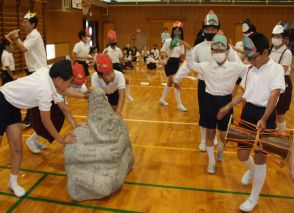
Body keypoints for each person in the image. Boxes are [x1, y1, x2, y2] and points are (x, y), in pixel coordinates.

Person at [0, 60, 89, 197]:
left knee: (17, 148)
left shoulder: (50, 75)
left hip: (13, 106)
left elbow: (64, 97)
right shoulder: (45, 90)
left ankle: (13, 182)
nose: (70, 85)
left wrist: (84, 96)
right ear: (59, 80)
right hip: (2, 101)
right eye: (70, 81)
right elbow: (46, 121)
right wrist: (62, 140)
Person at [217, 33, 285, 212]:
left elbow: (274, 94)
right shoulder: (250, 69)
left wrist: (264, 118)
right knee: (242, 155)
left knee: (261, 157)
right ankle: (252, 169)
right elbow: (243, 94)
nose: (251, 60)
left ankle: (254, 198)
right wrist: (228, 106)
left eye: (253, 57)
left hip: (267, 114)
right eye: (249, 57)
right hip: (248, 113)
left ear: (264, 52)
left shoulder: (275, 69)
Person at [181, 31, 248, 174]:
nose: (218, 52)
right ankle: (211, 161)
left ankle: (221, 149)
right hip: (209, 101)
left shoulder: (235, 67)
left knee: (224, 135)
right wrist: (188, 50)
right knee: (210, 133)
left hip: (225, 101)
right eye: (215, 50)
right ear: (211, 51)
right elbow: (191, 64)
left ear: (227, 50)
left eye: (221, 50)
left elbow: (249, 71)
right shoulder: (206, 66)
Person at [174, 10, 241, 152]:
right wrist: (177, 78)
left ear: (218, 29)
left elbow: (238, 63)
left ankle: (214, 136)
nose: (210, 31)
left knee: (220, 114)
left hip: (222, 85)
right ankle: (204, 140)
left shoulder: (226, 47)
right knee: (204, 113)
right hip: (204, 85)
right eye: (207, 29)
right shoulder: (198, 48)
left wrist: (239, 81)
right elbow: (188, 65)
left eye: (213, 29)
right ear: (203, 29)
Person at [9, 11, 47, 128]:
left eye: (25, 22)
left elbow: (23, 48)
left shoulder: (35, 35)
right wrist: (14, 39)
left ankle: (32, 119)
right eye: (23, 22)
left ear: (33, 24)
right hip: (34, 70)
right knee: (34, 95)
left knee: (34, 95)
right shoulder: (31, 35)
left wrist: (15, 37)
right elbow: (22, 46)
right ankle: (31, 118)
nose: (22, 24)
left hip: (38, 71)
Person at [269, 22, 292, 132]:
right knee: (270, 111)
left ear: (284, 38)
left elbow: (282, 69)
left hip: (283, 83)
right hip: (271, 81)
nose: (275, 38)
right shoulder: (270, 50)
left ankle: (282, 138)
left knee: (280, 113)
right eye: (274, 36)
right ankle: (270, 137)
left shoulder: (287, 52)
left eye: (278, 36)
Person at [159, 21, 186, 112]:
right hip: (168, 63)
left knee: (170, 83)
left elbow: (181, 55)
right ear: (173, 31)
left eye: (179, 31)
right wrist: (164, 55)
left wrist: (185, 56)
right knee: (176, 82)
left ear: (181, 32)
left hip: (176, 63)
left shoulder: (182, 43)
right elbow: (162, 52)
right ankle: (179, 104)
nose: (177, 32)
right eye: (175, 30)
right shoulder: (168, 41)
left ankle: (162, 99)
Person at [103, 30, 133, 101]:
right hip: (110, 67)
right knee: (110, 83)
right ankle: (106, 96)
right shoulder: (106, 50)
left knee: (127, 80)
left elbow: (121, 60)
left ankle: (128, 95)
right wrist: (104, 55)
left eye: (115, 40)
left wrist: (124, 55)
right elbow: (103, 61)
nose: (114, 42)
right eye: (112, 40)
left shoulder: (118, 49)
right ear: (109, 41)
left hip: (118, 66)